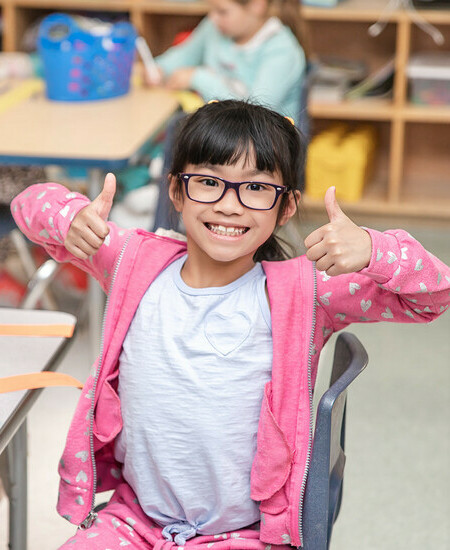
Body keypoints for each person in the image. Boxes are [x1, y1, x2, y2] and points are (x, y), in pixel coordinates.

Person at [11, 100, 450, 549]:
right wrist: (70, 219)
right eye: (207, 182)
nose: (229, 205)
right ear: (176, 192)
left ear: (286, 207)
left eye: (256, 188)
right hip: (133, 520)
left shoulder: (305, 293)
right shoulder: (132, 261)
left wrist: (374, 249)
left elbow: (435, 294)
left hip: (248, 536)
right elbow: (28, 206)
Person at [147, 0, 306, 123]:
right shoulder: (214, 28)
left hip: (258, 145)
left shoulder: (283, 51)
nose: (213, 18)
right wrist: (158, 68)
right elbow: (184, 55)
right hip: (216, 128)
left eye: (222, 11)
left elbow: (253, 115)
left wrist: (198, 78)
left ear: (257, 5)